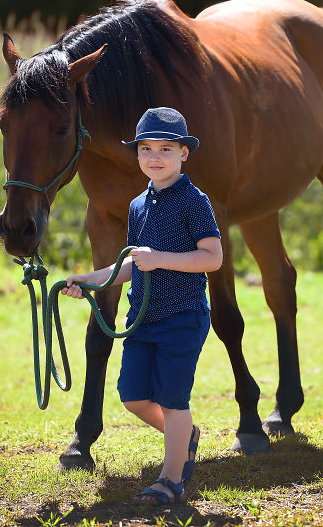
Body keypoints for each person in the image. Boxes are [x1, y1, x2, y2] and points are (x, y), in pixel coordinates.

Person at [62, 107, 223, 505]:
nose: (155, 157)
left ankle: (170, 480)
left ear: (184, 153)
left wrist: (161, 258)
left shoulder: (194, 202)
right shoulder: (138, 205)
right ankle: (185, 435)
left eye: (166, 149)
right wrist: (88, 280)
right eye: (146, 149)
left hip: (182, 317)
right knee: (133, 396)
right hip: (142, 320)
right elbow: (132, 264)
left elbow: (213, 257)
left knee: (172, 400)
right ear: (137, 154)